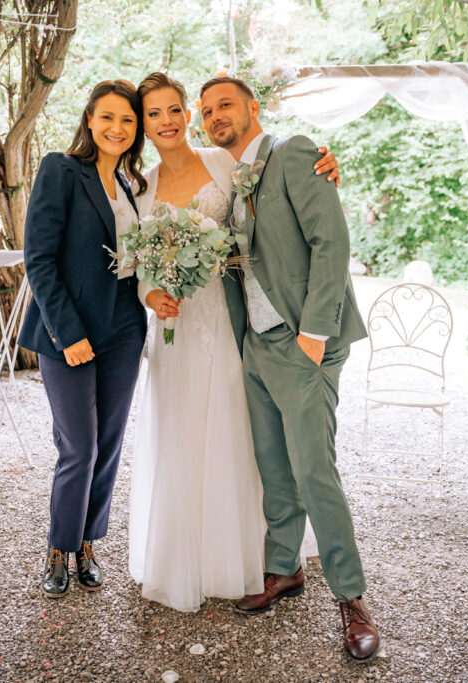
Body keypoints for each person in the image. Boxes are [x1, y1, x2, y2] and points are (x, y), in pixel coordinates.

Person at [127, 73, 339, 613]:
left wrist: (326, 167)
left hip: (231, 320)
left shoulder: (224, 164)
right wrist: (155, 296)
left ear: (187, 115)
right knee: (182, 434)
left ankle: (255, 555)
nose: (168, 120)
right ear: (144, 125)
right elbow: (138, 267)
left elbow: (278, 203)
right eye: (154, 114)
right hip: (175, 330)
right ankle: (189, 557)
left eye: (176, 109)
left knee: (242, 437)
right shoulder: (141, 186)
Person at [200, 75, 381, 663]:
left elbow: (333, 242)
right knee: (274, 467)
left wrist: (314, 332)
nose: (214, 116)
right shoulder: (228, 179)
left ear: (253, 108)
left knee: (313, 471)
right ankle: (285, 569)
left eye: (224, 104)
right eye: (207, 110)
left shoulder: (297, 152)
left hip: (305, 343)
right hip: (255, 343)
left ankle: (351, 598)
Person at [18, 80, 148, 598]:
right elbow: (40, 259)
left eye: (128, 121)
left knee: (110, 443)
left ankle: (89, 544)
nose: (118, 128)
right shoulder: (60, 170)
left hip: (124, 328)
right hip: (69, 329)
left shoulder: (134, 185)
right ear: (90, 120)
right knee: (80, 445)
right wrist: (68, 332)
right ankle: (58, 547)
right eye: (108, 118)